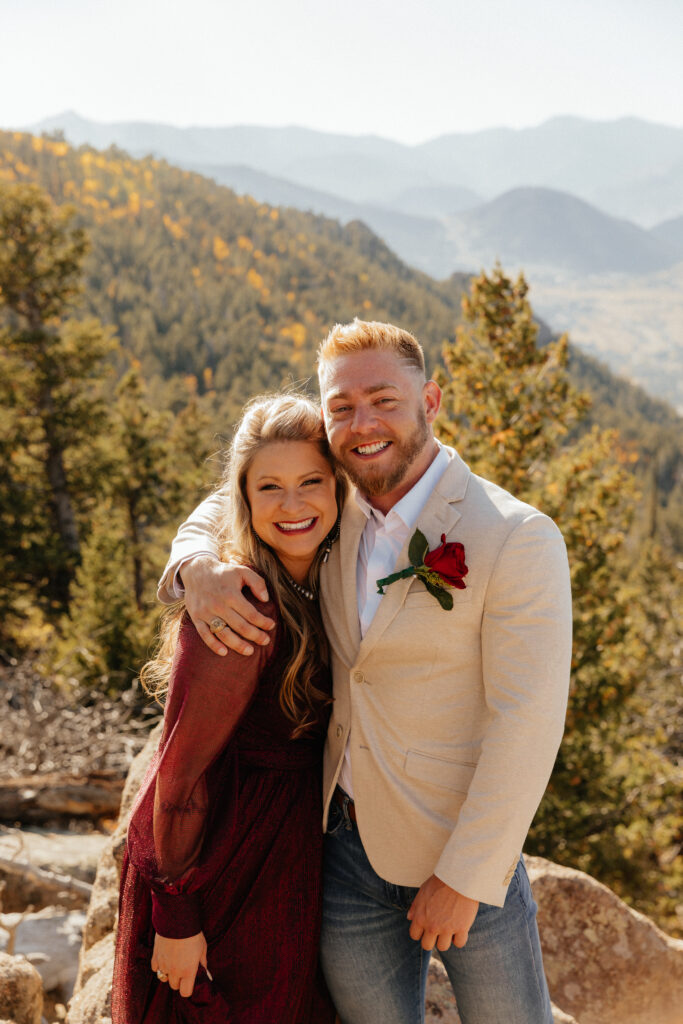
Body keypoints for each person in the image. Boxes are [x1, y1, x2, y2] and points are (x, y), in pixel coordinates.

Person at [158, 320, 573, 1024]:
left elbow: (526, 722)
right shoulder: (331, 502)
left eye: (383, 399)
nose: (363, 423)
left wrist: (464, 877)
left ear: (431, 400)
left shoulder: (513, 535)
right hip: (340, 857)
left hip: (462, 853)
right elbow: (231, 496)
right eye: (341, 408)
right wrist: (194, 566)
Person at [112, 394, 346, 1024]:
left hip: (284, 855)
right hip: (220, 865)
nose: (292, 504)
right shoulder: (239, 604)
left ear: (338, 486)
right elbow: (179, 779)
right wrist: (177, 915)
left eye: (310, 482)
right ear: (240, 498)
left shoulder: (330, 578)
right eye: (268, 486)